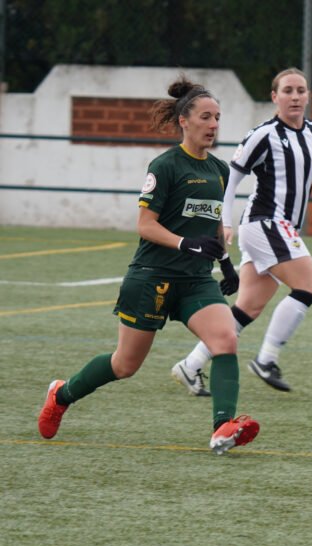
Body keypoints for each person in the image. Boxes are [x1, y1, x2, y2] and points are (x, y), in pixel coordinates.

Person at [37, 75, 259, 456]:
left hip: (195, 280)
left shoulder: (219, 170)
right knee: (125, 365)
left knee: (226, 340)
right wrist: (185, 243)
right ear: (184, 121)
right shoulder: (166, 165)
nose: (213, 125)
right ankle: (62, 394)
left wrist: (226, 263)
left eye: (218, 117)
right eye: (205, 117)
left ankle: (223, 426)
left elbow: (211, 226)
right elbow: (145, 225)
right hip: (151, 277)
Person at [171, 67, 312, 395]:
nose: (295, 97)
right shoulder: (264, 134)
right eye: (287, 91)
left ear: (308, 95)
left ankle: (191, 365)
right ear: (275, 97)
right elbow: (230, 179)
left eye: (301, 90)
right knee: (308, 286)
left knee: (248, 307)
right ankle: (267, 359)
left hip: (280, 228)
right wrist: (223, 222)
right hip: (265, 222)